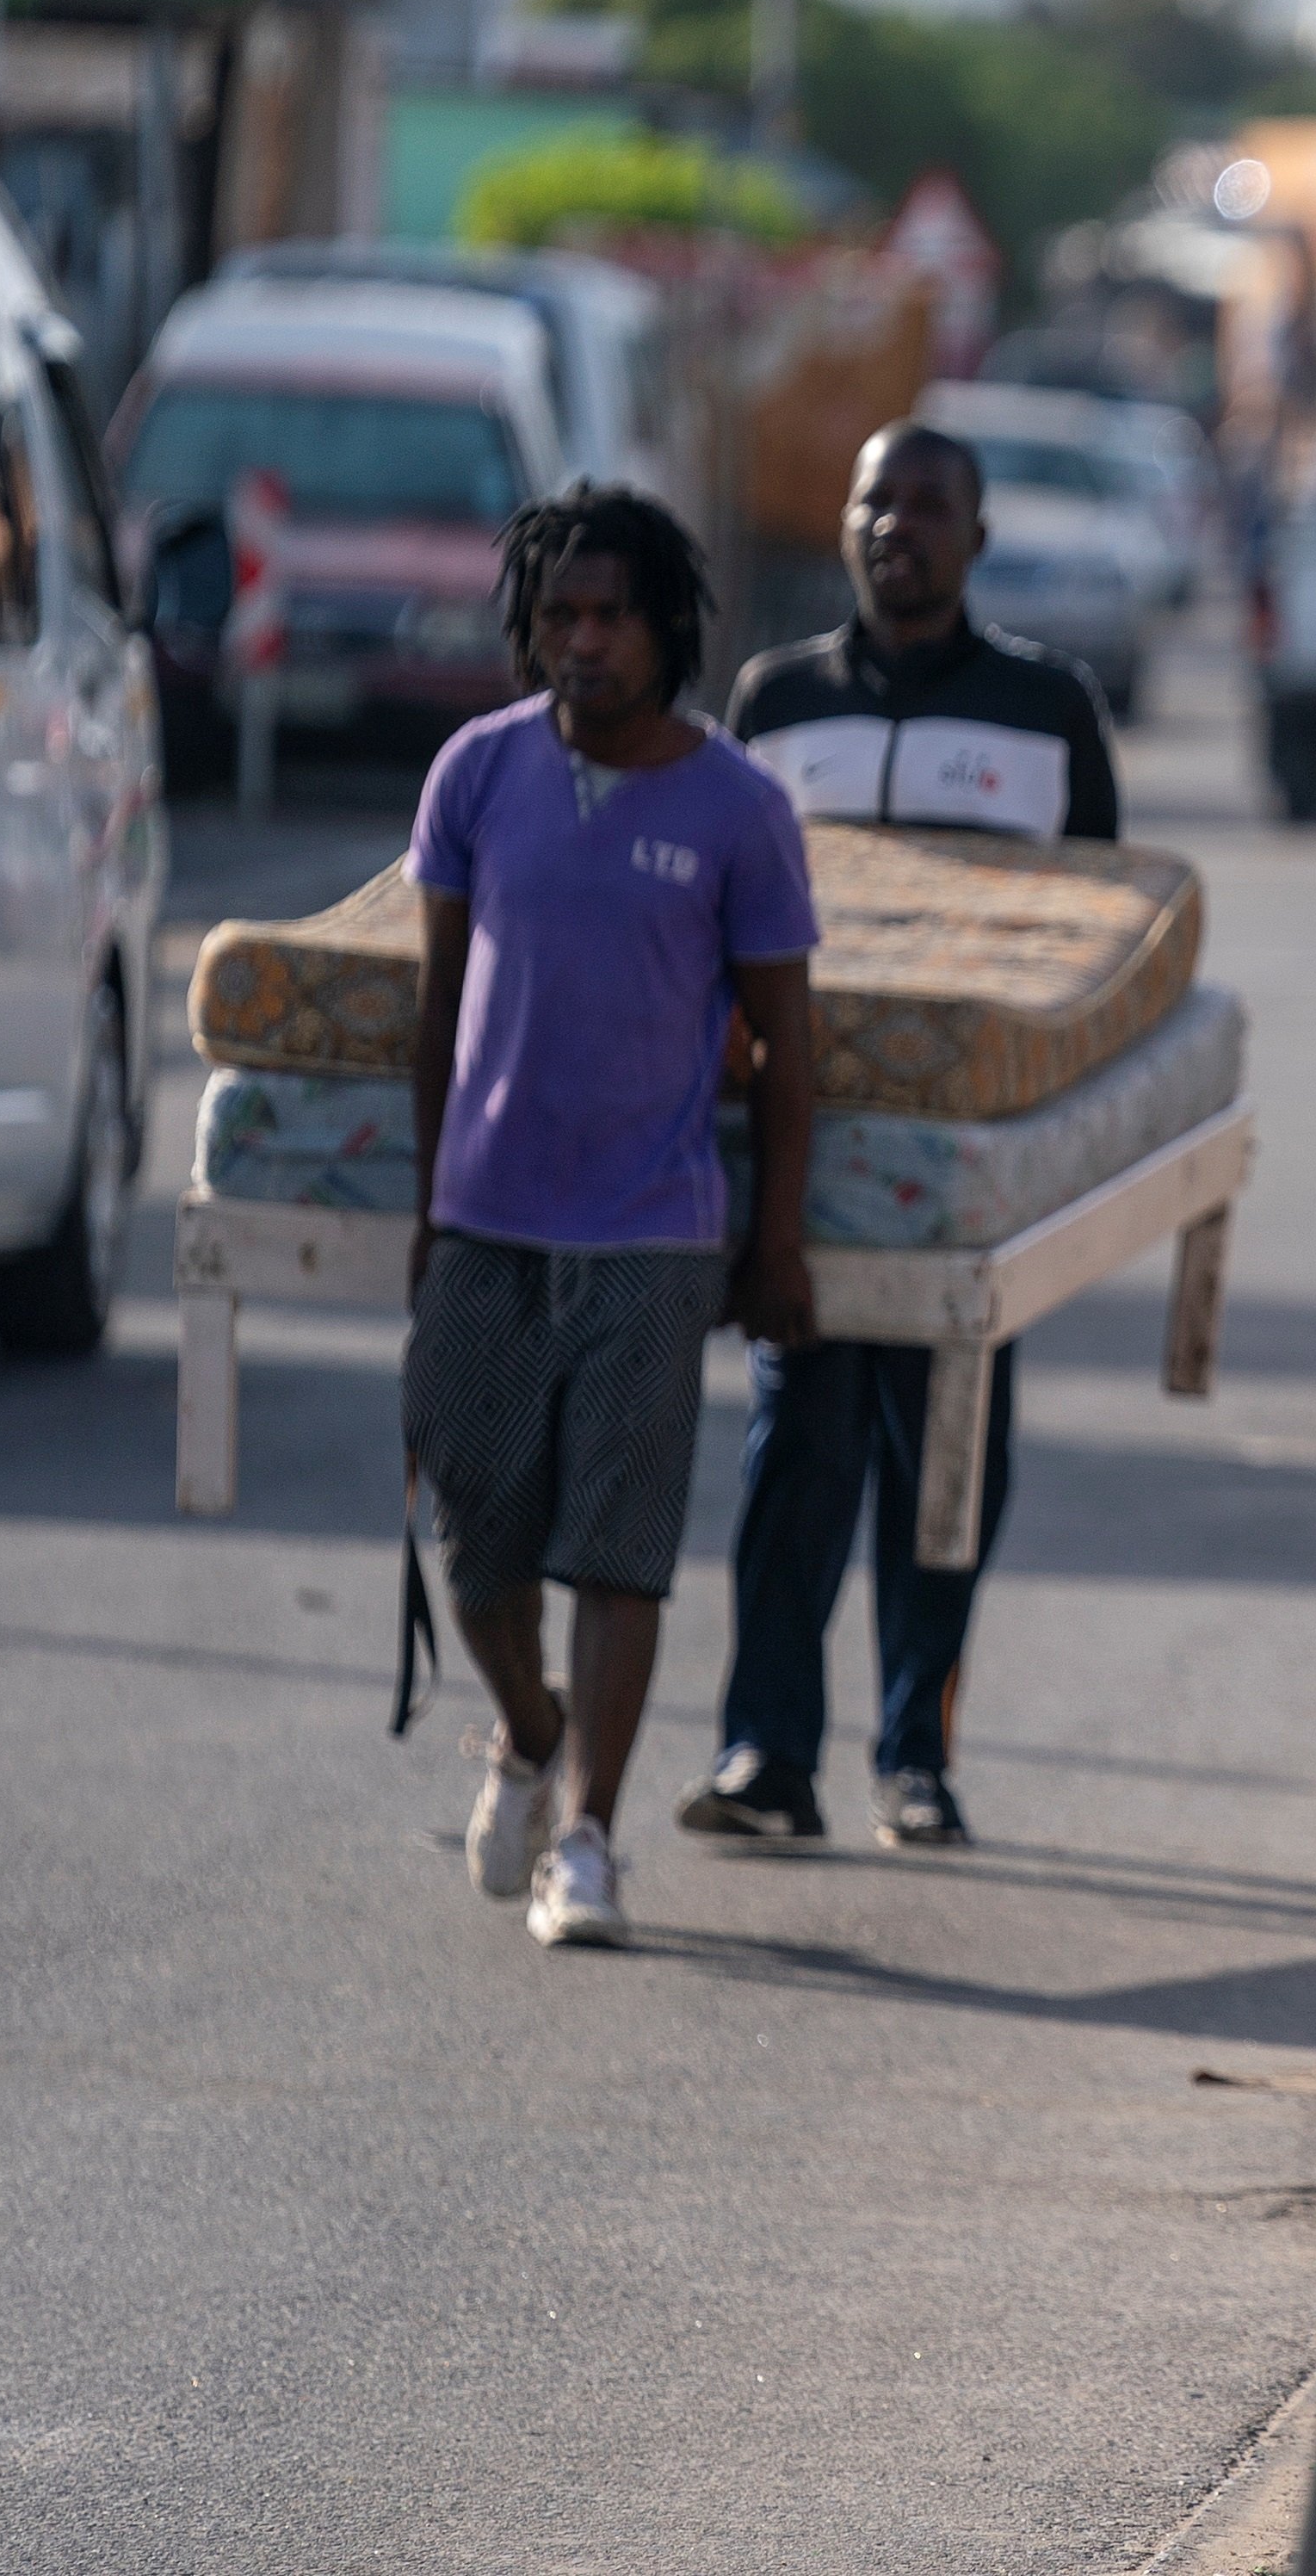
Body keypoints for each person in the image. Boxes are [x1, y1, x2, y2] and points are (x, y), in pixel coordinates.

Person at [679, 424, 1125, 1851]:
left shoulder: (1049, 707)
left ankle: (913, 1753)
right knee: (792, 1453)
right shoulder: (774, 696)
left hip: (968, 1172)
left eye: (930, 506)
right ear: (848, 522)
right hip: (800, 1165)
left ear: (977, 537)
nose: (900, 527)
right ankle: (767, 1749)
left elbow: (1104, 944)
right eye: (878, 500)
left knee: (947, 1467)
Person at [406, 486, 822, 1951]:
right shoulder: (477, 773)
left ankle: (585, 1834)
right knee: (477, 1541)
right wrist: (426, 1201)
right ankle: (530, 1725)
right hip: (487, 1215)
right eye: (558, 616)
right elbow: (438, 1003)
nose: (582, 642)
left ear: (669, 630)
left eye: (611, 615)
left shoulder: (739, 811)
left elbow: (786, 1046)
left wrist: (775, 1241)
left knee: (620, 1545)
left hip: (653, 1227)